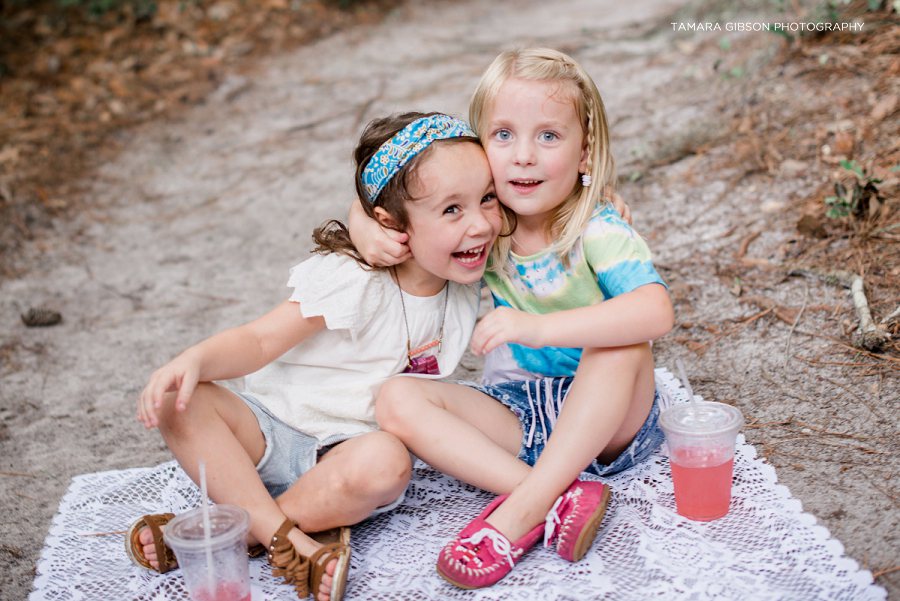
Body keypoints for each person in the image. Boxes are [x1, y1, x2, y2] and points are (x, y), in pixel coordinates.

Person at [129, 112, 505, 601]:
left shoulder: (466, 266)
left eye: (487, 198)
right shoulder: (353, 278)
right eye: (452, 209)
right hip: (268, 433)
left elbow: (546, 219)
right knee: (177, 399)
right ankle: (288, 538)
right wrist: (194, 359)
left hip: (349, 457)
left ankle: (240, 533)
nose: (479, 223)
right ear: (389, 223)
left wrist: (603, 203)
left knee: (388, 463)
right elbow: (260, 341)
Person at [349, 47, 674, 589]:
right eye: (503, 135)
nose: (523, 156)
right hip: (524, 416)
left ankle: (521, 511)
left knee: (622, 343)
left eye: (548, 136)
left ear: (585, 151)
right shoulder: (487, 227)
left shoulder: (596, 227)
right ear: (478, 150)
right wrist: (364, 223)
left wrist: (537, 328)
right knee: (395, 398)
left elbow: (656, 310)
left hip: (610, 417)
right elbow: (399, 177)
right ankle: (558, 491)